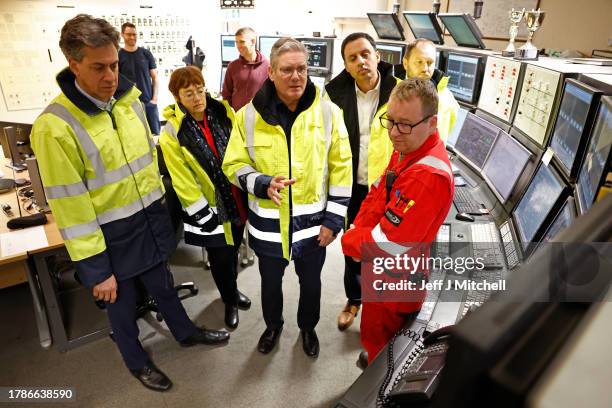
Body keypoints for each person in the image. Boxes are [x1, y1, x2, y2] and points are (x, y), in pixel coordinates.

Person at [30, 14, 229, 392]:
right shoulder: (55, 126)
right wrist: (94, 268)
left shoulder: (128, 99)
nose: (110, 76)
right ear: (73, 64)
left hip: (151, 220)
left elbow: (145, 167)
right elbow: (70, 208)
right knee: (121, 307)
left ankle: (186, 333)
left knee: (165, 287)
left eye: (115, 64)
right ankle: (136, 361)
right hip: (111, 236)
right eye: (98, 67)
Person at [222, 38, 352, 357]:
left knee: (311, 286)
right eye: (287, 70)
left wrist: (334, 221)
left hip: (314, 227)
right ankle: (273, 326)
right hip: (267, 225)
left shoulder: (329, 113)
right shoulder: (248, 117)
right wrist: (262, 182)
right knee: (270, 285)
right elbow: (233, 164)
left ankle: (307, 329)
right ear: (271, 73)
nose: (296, 76)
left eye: (302, 69)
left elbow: (342, 168)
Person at [341, 78, 454, 364]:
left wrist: (349, 240)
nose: (393, 132)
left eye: (404, 124)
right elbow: (379, 193)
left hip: (396, 283)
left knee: (385, 351)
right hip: (381, 274)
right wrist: (359, 227)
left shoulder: (428, 177)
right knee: (373, 333)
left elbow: (388, 245)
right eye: (389, 121)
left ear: (432, 123)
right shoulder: (407, 147)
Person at [159, 66, 252, 330]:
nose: (198, 97)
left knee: (233, 250)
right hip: (209, 208)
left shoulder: (223, 112)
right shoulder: (173, 131)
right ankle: (229, 299)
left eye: (200, 90)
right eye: (189, 94)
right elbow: (181, 178)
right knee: (220, 258)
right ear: (177, 97)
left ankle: (232, 290)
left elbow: (240, 148)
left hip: (235, 197)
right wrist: (202, 213)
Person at [325, 32, 400, 331]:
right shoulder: (333, 95)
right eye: (352, 58)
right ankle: (354, 299)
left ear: (377, 56)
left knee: (390, 247)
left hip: (390, 185)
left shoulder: (399, 91)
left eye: (366, 54)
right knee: (354, 244)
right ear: (345, 65)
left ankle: (382, 306)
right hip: (352, 185)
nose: (361, 61)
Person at [402, 38, 459, 144]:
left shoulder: (447, 99)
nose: (425, 68)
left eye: (430, 62)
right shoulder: (390, 92)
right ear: (406, 63)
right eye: (419, 62)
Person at [119, 22, 160, 134]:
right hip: (129, 105)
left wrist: (154, 99)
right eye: (128, 34)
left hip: (148, 103)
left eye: (134, 34)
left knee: (155, 135)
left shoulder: (146, 53)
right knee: (135, 136)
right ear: (122, 35)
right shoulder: (119, 56)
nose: (132, 37)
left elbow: (155, 77)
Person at [221, 27, 270, 111]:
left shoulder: (268, 65)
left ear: (253, 41)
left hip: (260, 118)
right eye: (236, 42)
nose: (238, 46)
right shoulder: (232, 66)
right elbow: (226, 95)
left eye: (242, 42)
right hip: (238, 119)